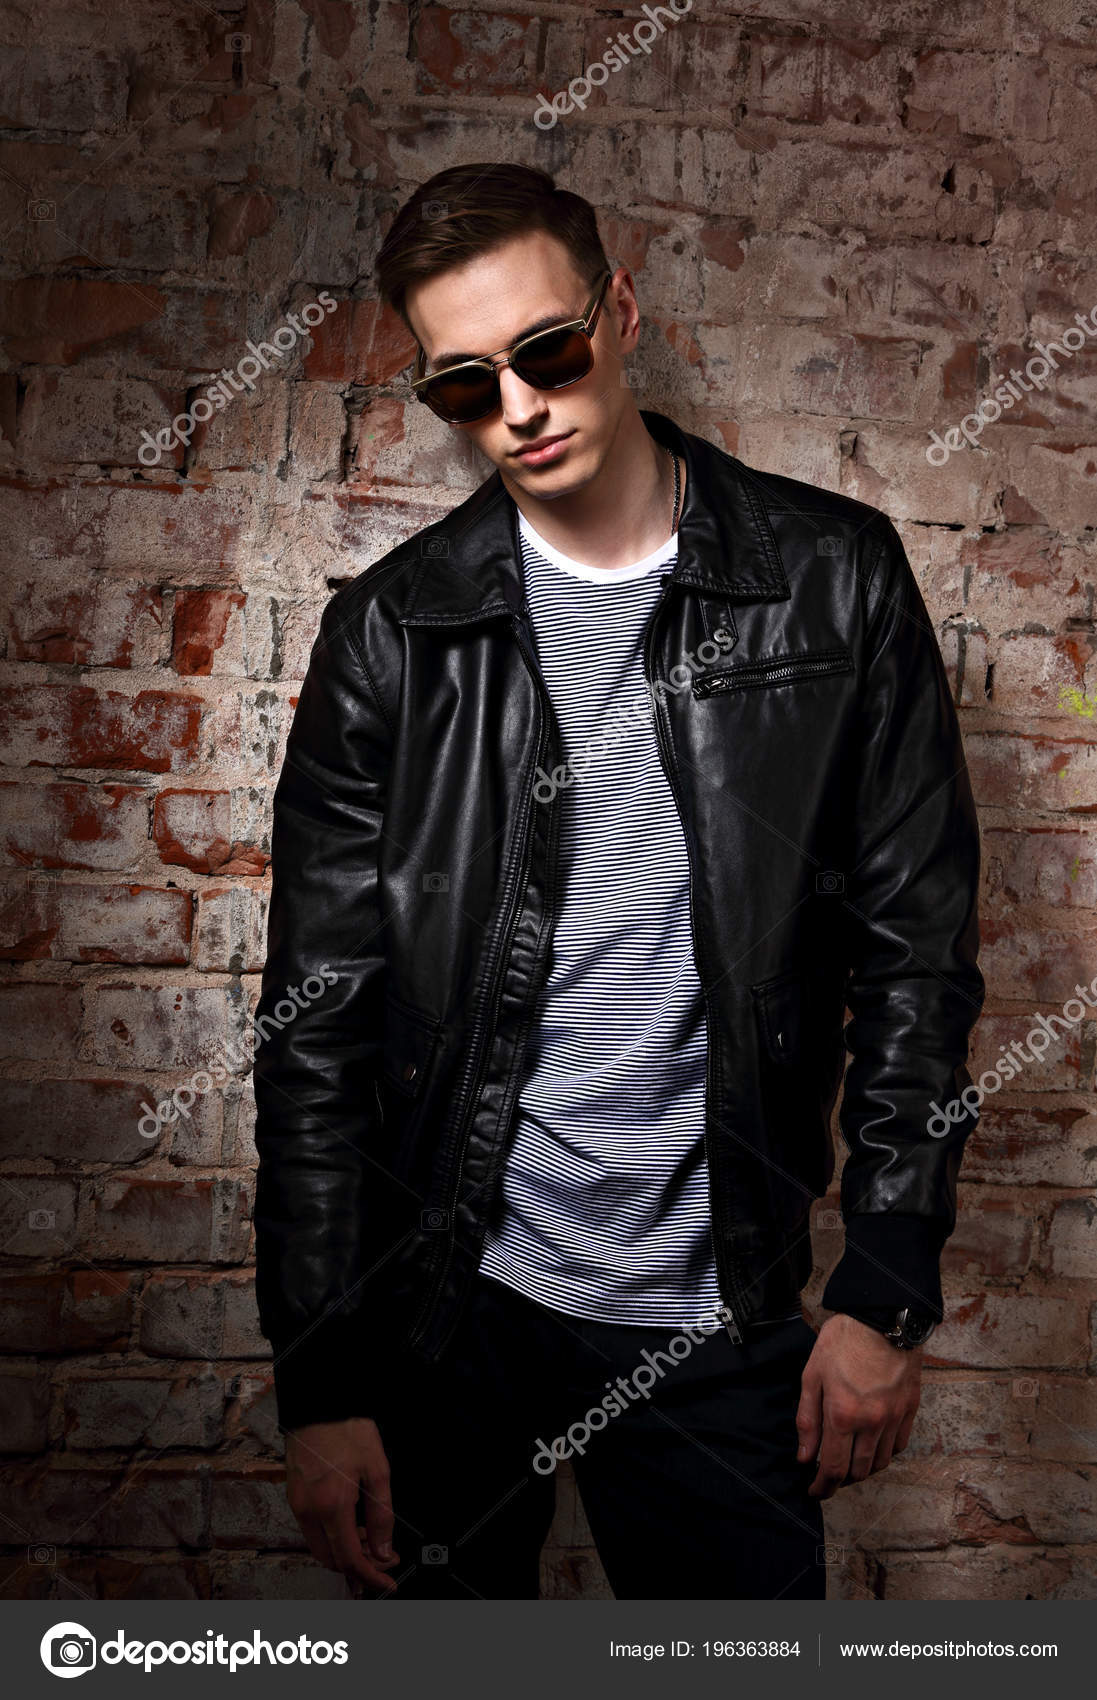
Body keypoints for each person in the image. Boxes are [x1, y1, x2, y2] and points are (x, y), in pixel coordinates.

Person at [251, 162, 984, 1601]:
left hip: (720, 1314)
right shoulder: (392, 636)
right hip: (451, 1319)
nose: (519, 408)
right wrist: (321, 1377)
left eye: (548, 351)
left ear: (622, 311)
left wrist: (887, 1285)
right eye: (466, 384)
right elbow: (316, 1030)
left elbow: (917, 957)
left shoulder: (834, 581)